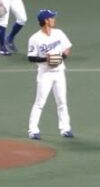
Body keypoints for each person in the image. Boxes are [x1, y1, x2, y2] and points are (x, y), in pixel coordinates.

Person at [26, 9, 73, 139]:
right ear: (46, 21)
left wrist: (61, 58)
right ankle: (33, 130)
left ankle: (65, 129)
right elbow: (31, 57)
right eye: (51, 18)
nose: (54, 19)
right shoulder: (35, 38)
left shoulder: (59, 33)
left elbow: (67, 48)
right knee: (39, 103)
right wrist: (46, 59)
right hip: (45, 74)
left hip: (59, 73)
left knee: (62, 101)